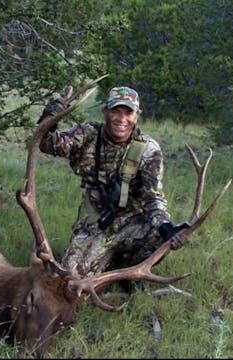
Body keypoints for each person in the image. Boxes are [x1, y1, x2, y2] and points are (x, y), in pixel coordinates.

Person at [38, 85, 190, 278]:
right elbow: (46, 143)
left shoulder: (148, 150)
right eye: (115, 111)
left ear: (137, 116)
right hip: (94, 223)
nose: (121, 119)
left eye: (128, 113)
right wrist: (51, 115)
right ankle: (102, 261)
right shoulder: (87, 134)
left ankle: (127, 272)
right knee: (71, 278)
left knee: (161, 238)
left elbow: (153, 198)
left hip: (132, 222)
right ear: (105, 112)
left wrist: (167, 227)